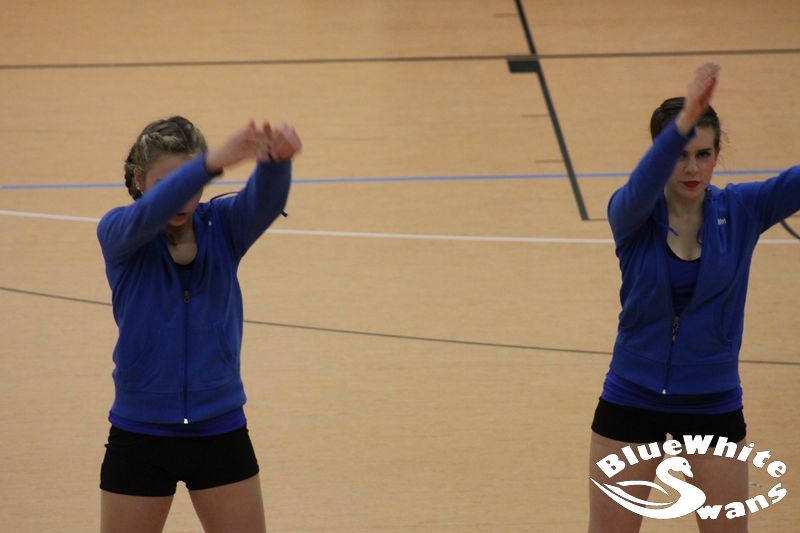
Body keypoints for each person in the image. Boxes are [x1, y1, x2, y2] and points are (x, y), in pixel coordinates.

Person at [588, 62, 800, 533]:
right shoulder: (632, 214)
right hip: (632, 396)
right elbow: (642, 182)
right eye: (679, 155)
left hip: (712, 401)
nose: (691, 168)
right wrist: (684, 120)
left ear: (717, 155)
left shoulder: (743, 210)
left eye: (704, 154)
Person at [97, 116, 301, 533]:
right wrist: (209, 164)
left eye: (193, 184)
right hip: (140, 435)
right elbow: (152, 210)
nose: (183, 197)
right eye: (169, 183)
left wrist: (276, 163)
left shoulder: (223, 226)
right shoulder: (119, 232)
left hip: (220, 429)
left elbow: (264, 201)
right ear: (138, 179)